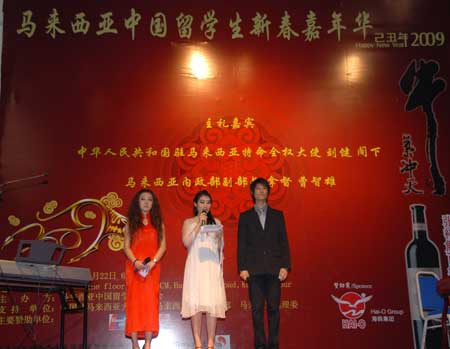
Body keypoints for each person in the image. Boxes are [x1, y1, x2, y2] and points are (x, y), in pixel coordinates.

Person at [237, 178, 291, 349]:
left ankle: (274, 345)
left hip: (274, 269)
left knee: (274, 309)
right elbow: (242, 244)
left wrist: (285, 265)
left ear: (268, 192)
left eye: (264, 188)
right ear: (252, 193)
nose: (261, 191)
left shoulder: (278, 215)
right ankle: (260, 345)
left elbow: (284, 242)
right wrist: (242, 268)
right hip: (254, 271)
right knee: (257, 311)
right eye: (257, 189)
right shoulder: (245, 217)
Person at [181, 190, 227, 349]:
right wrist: (199, 225)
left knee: (211, 303)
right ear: (195, 204)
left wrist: (220, 237)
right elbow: (186, 242)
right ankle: (198, 343)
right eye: (202, 202)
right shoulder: (188, 222)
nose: (205, 205)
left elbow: (221, 248)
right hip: (195, 266)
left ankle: (211, 343)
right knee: (196, 302)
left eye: (208, 202)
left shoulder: (216, 222)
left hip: (211, 267)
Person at [123, 189, 167, 349]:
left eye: (150, 199)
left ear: (153, 203)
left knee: (150, 305)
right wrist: (135, 261)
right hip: (134, 269)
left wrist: (153, 262)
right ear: (138, 202)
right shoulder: (130, 223)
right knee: (134, 305)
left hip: (151, 269)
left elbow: (163, 246)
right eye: (143, 199)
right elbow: (126, 247)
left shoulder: (158, 223)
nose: (147, 202)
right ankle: (134, 343)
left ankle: (148, 344)